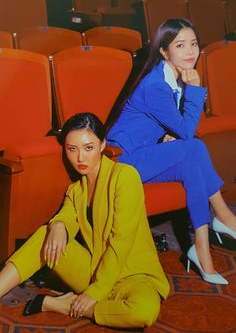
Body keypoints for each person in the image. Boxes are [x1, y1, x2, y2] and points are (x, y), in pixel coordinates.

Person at [0, 112, 169, 328]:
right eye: (72, 149)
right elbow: (68, 215)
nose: (80, 158)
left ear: (102, 145)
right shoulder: (75, 190)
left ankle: (61, 305)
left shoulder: (125, 177)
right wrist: (59, 225)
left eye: (88, 147)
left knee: (143, 312)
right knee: (47, 235)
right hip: (94, 271)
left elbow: (121, 241)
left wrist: (95, 293)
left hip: (133, 276)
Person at [107, 18, 236, 285]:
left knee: (192, 165)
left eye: (194, 44)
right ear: (165, 51)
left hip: (146, 154)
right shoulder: (155, 85)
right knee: (195, 146)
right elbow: (188, 133)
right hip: (121, 160)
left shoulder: (171, 77)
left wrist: (168, 134)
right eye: (180, 45)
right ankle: (224, 217)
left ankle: (201, 249)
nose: (190, 52)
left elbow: (174, 127)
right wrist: (196, 89)